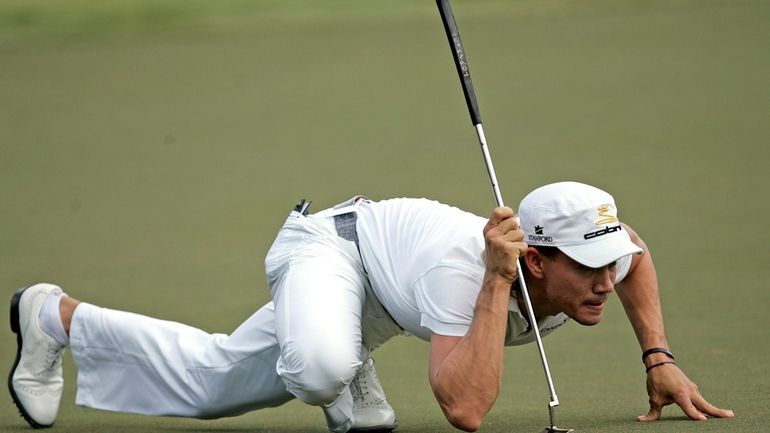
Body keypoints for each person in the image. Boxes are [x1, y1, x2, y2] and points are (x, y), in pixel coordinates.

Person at [8, 181, 734, 432]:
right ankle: (343, 357)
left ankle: (52, 317)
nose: (606, 280)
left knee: (210, 382)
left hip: (387, 295)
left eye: (606, 263)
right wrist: (491, 281)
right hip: (330, 252)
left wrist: (658, 356)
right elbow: (465, 408)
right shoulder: (473, 279)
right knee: (318, 367)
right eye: (588, 268)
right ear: (534, 259)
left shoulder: (600, 257)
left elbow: (634, 253)